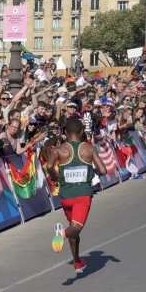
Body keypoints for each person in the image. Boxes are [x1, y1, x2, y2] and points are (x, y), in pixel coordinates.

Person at [46, 117, 107, 274]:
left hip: (65, 196)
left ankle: (77, 262)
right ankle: (61, 233)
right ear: (81, 132)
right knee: (75, 228)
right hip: (82, 195)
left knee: (75, 230)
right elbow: (103, 171)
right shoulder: (88, 148)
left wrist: (56, 176)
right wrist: (90, 170)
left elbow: (49, 167)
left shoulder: (58, 150)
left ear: (65, 133)